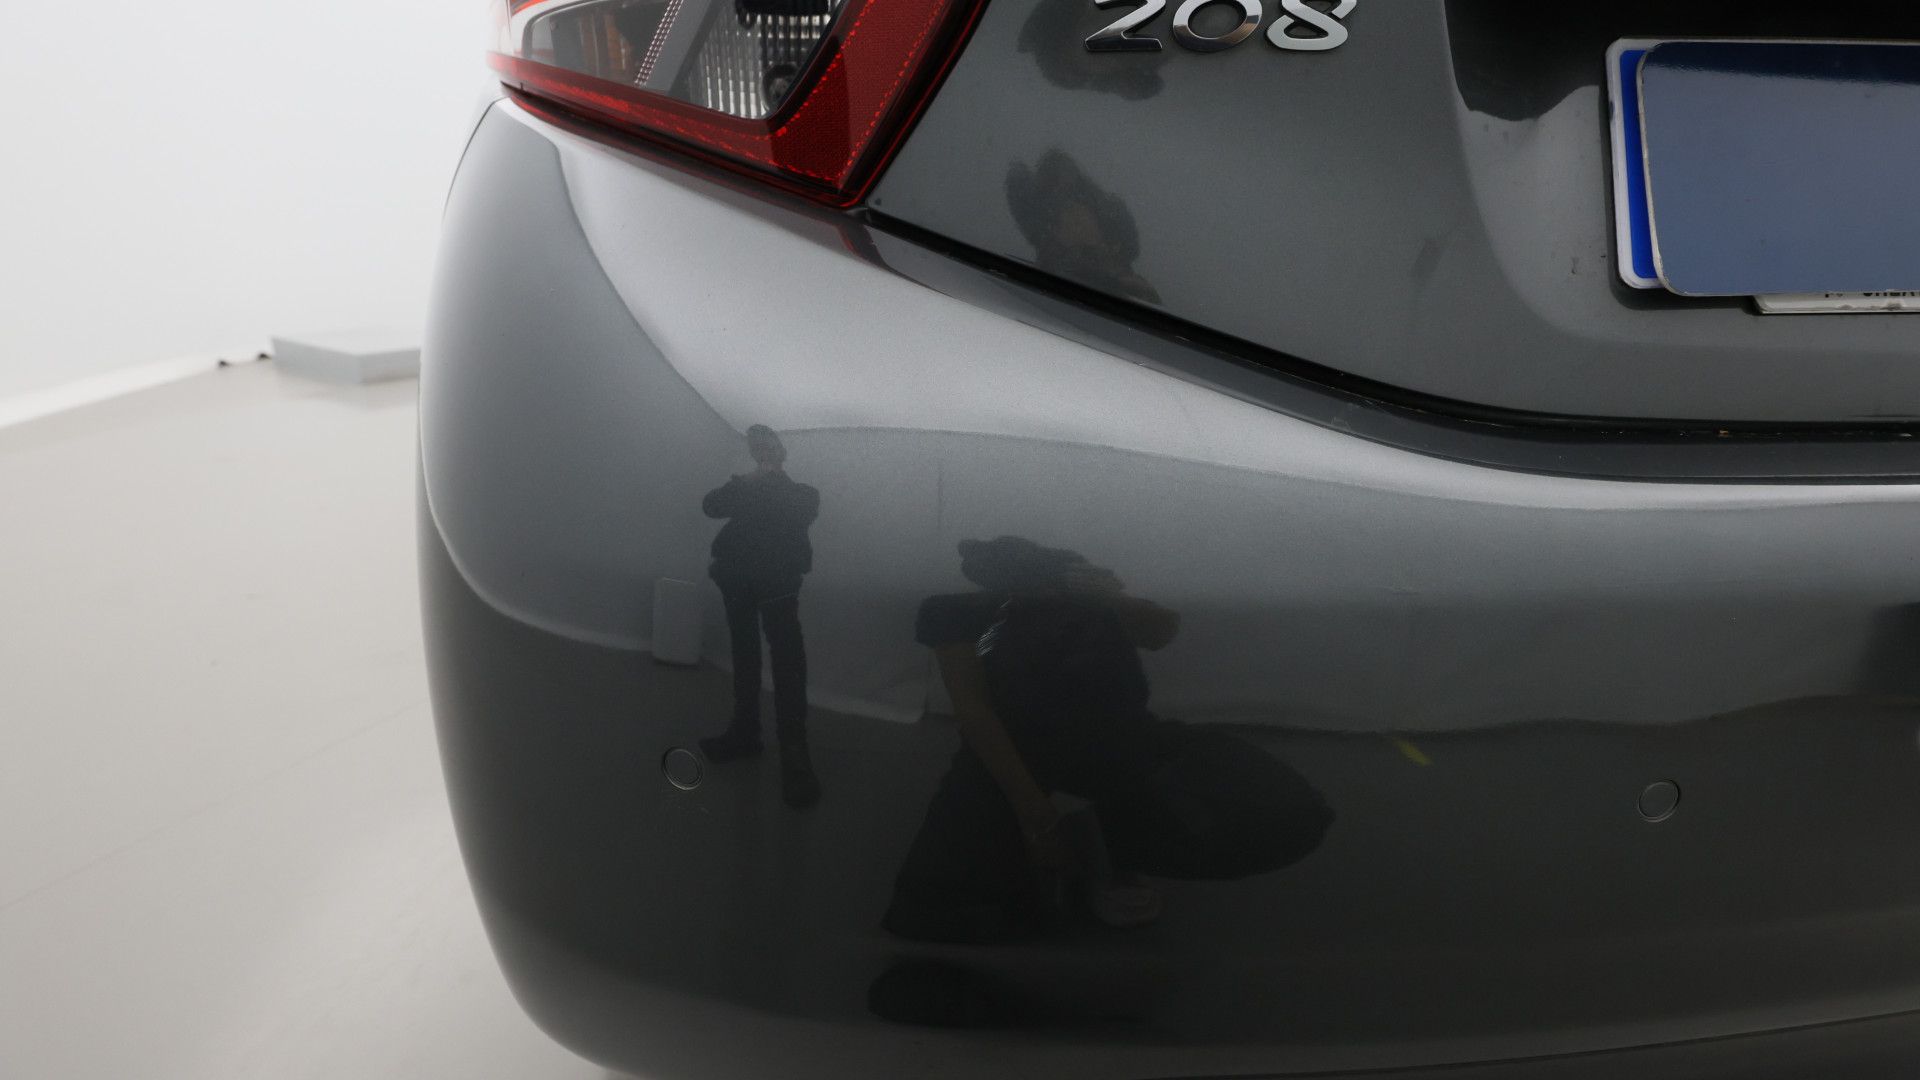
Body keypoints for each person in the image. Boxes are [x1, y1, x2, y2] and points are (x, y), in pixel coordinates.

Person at [698, 426, 822, 807]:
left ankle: (794, 754)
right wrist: (749, 481)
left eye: (769, 446)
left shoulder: (804, 493)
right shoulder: (747, 486)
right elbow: (710, 506)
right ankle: (746, 732)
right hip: (740, 580)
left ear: (782, 452)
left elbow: (797, 512)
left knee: (787, 662)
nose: (763, 452)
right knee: (747, 654)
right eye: (757, 448)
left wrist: (760, 481)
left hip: (776, 584)